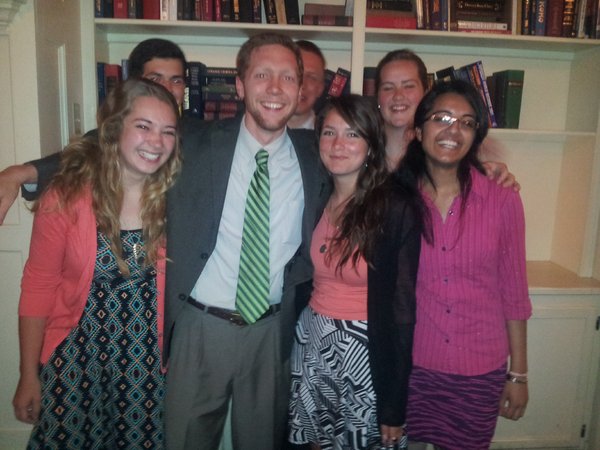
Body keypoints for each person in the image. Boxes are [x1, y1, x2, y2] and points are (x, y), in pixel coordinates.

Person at [162, 33, 329, 450]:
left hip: (271, 331)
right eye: (262, 75)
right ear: (239, 85)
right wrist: (27, 172)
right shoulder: (194, 141)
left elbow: (378, 156)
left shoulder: (318, 155)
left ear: (301, 89)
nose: (275, 88)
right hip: (200, 328)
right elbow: (114, 140)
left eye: (288, 77)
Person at [12, 78, 182, 449]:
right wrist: (28, 374)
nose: (156, 142)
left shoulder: (178, 200)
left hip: (147, 366)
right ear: (114, 128)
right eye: (143, 126)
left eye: (168, 131)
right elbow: (39, 286)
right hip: (76, 359)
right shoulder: (65, 196)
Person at [396, 79, 531, 450]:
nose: (453, 130)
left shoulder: (502, 199)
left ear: (475, 136)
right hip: (413, 367)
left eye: (466, 122)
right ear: (419, 130)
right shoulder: (397, 200)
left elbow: (515, 293)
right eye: (441, 118)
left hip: (479, 370)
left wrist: (518, 374)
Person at [288, 95, 421, 449]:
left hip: (366, 351)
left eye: (352, 134)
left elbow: (403, 312)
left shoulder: (394, 207)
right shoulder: (316, 197)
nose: (338, 144)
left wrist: (394, 403)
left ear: (371, 145)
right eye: (329, 132)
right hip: (314, 341)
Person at [0, 38, 188, 223]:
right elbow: (79, 157)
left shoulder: (198, 135)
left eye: (176, 80)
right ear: (134, 84)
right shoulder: (116, 135)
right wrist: (19, 173)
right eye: (155, 79)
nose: (167, 88)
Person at [375, 49, 519, 191]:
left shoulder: (464, 150)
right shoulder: (364, 152)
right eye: (387, 88)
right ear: (377, 97)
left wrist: (494, 179)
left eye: (408, 86)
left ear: (426, 93)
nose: (398, 96)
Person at [287, 40, 326, 130]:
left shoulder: (326, 136)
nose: (302, 85)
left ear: (320, 88)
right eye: (297, 74)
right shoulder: (256, 131)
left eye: (311, 77)